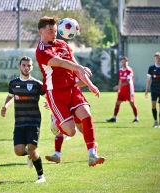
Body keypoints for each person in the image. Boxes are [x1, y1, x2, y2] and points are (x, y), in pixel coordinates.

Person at [35, 16, 105, 167]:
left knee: (87, 116)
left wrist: (90, 84)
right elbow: (59, 63)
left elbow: (75, 66)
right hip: (56, 93)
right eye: (50, 31)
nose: (54, 34)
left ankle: (92, 154)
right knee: (71, 131)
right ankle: (57, 121)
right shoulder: (41, 51)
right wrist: (78, 67)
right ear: (41, 31)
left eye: (55, 31)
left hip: (73, 89)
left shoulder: (63, 45)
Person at [1, 56, 47, 183]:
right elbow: (10, 97)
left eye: (29, 65)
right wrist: (5, 106)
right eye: (24, 65)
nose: (26, 68)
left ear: (32, 67)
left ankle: (41, 176)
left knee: (33, 149)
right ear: (19, 67)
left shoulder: (37, 84)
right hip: (19, 122)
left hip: (33, 121)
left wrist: (48, 102)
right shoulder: (13, 83)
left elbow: (48, 96)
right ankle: (30, 155)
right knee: (18, 151)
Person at [106, 56, 139, 123]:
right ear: (121, 62)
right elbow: (121, 80)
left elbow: (128, 82)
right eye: (122, 62)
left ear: (127, 62)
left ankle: (136, 118)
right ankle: (114, 118)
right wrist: (119, 89)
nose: (124, 63)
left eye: (125, 62)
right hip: (122, 91)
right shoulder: (120, 70)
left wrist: (118, 86)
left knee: (132, 104)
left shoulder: (129, 70)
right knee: (117, 103)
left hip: (129, 91)